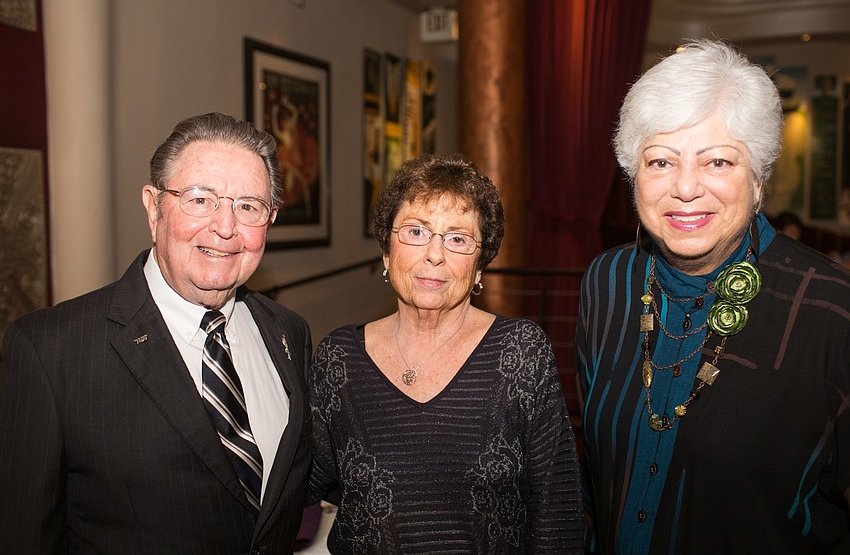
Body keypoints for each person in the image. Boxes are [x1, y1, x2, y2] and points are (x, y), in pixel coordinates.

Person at [576, 40, 850, 553]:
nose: (684, 188)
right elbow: (593, 484)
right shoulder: (604, 283)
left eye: (718, 162)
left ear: (759, 176)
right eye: (660, 162)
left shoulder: (834, 312)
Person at [0, 112, 313, 554]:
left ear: (271, 218)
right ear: (153, 206)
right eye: (200, 199)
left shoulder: (288, 333)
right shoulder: (50, 350)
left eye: (248, 206)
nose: (225, 228)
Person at [307, 153, 583, 553]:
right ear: (386, 252)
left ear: (479, 265)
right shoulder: (339, 359)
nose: (434, 255)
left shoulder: (521, 352)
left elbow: (558, 516)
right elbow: (304, 482)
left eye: (457, 238)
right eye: (416, 232)